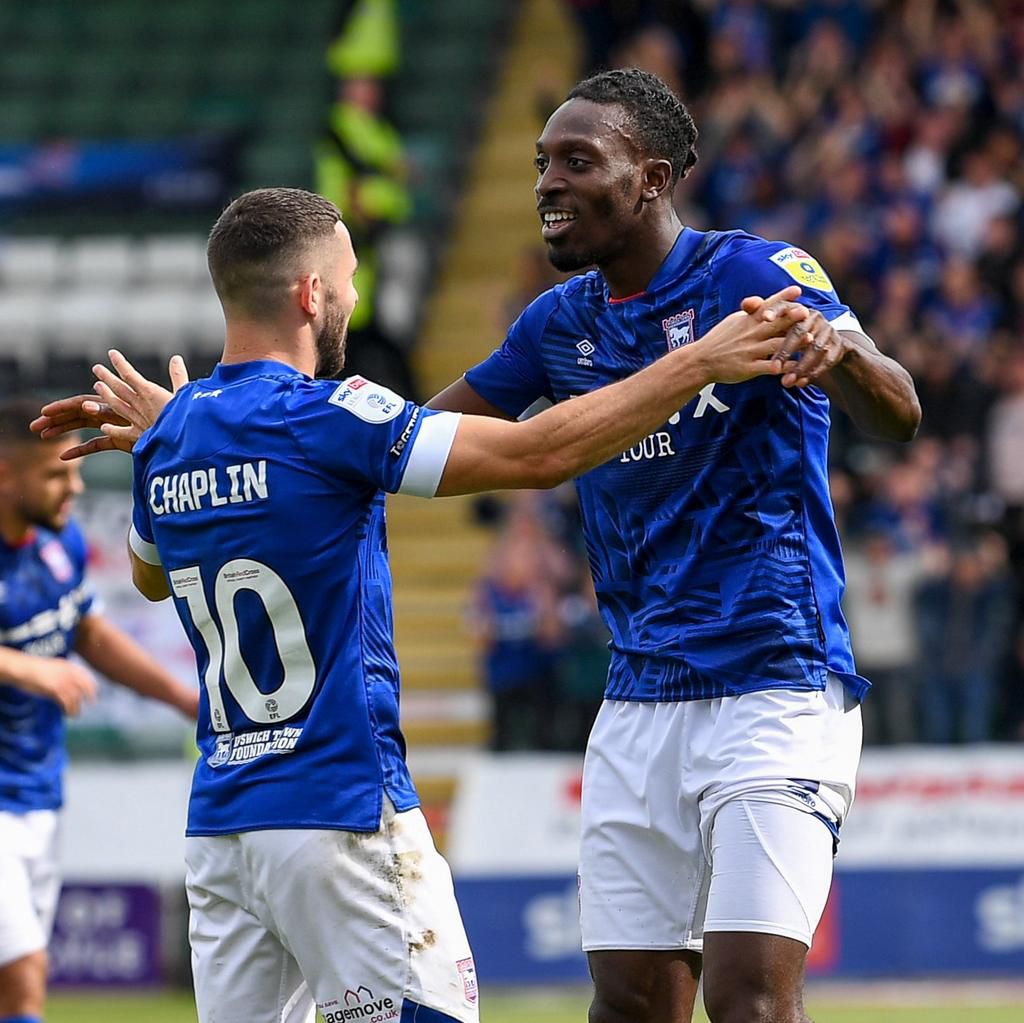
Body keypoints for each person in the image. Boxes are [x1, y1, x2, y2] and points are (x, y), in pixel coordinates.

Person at [32, 185, 813, 1023]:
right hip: (340, 812)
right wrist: (700, 360)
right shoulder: (332, 416)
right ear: (311, 295)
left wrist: (182, 426)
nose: (356, 298)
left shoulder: (170, 439)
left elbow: (152, 574)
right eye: (350, 280)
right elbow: (541, 451)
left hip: (224, 834)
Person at [421, 70, 920, 1023]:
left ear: (652, 178)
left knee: (751, 1006)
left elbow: (899, 409)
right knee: (630, 1006)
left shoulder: (755, 273)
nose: (547, 183)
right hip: (638, 701)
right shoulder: (556, 325)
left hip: (775, 684)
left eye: (577, 161)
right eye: (539, 164)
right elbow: (417, 440)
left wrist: (844, 350)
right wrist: (241, 419)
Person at [0, 398, 198, 1023]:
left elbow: (88, 634)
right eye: (57, 474)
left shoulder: (58, 548)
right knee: (25, 978)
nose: (74, 487)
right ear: (6, 476)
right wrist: (26, 666)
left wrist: (183, 697)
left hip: (40, 793)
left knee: (20, 984)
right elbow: (47, 659)